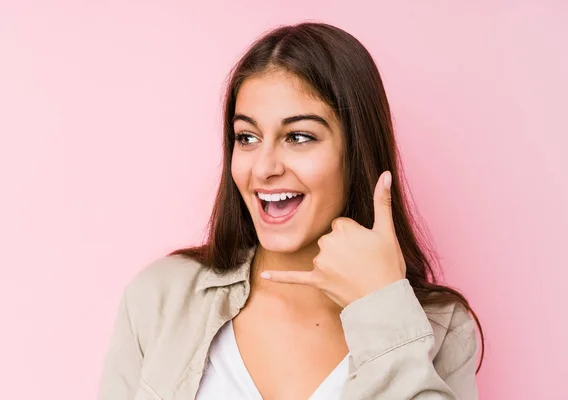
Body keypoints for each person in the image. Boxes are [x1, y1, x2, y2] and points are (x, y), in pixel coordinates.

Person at [98, 22, 484, 400]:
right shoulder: (160, 297)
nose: (264, 168)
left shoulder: (442, 327)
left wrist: (380, 306)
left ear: (357, 150)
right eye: (247, 137)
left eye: (298, 137)